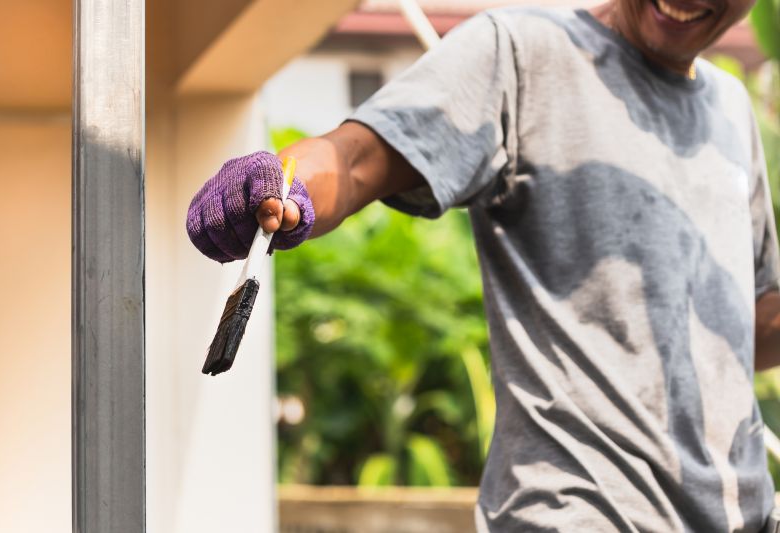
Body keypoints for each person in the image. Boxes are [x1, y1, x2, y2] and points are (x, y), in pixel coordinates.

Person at [185, 0, 780, 530]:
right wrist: (283, 186)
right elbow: (357, 157)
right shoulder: (522, 51)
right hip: (579, 512)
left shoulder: (731, 111)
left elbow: (748, 334)